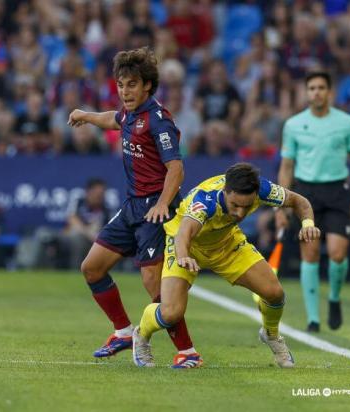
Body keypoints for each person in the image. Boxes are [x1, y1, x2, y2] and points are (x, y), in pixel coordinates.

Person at [68, 47, 202, 368]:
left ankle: (187, 352)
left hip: (158, 210)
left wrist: (162, 203)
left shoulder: (158, 121)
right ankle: (124, 331)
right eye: (121, 84)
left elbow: (176, 169)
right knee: (92, 268)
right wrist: (86, 115)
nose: (125, 91)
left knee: (154, 285)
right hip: (132, 206)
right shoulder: (129, 114)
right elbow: (111, 120)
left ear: (147, 86)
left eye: (131, 84)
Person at [133, 163, 320, 369]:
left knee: (275, 293)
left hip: (227, 244)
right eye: (235, 205)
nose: (240, 213)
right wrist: (184, 257)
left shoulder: (263, 189)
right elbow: (184, 232)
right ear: (225, 192)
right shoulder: (205, 200)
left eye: (247, 207)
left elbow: (300, 201)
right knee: (171, 313)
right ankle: (141, 334)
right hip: (187, 248)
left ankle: (271, 334)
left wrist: (308, 225)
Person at [276, 72, 350, 333]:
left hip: (338, 191)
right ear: (306, 93)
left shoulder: (346, 122)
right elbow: (286, 165)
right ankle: (313, 319)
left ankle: (335, 297)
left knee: (338, 254)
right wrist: (282, 204)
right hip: (306, 194)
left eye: (321, 88)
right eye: (312, 88)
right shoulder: (294, 124)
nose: (316, 92)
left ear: (330, 92)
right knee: (311, 252)